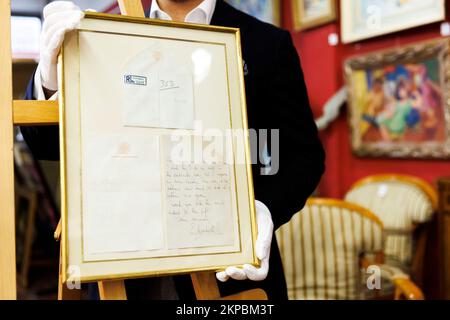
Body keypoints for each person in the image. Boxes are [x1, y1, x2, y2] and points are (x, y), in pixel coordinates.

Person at [21, 0, 325, 300]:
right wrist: (48, 82)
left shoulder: (267, 43)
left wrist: (264, 207)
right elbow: (45, 145)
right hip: (118, 267)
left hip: (229, 273)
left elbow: (304, 156)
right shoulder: (100, 32)